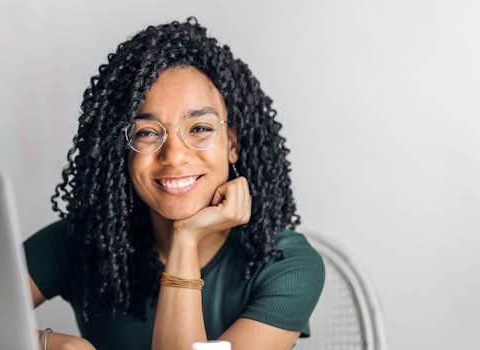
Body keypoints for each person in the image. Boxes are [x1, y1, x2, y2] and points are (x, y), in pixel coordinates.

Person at [23, 17, 325, 350]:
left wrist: (186, 237)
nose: (175, 156)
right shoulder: (79, 242)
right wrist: (51, 345)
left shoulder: (286, 264)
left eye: (199, 128)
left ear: (232, 144)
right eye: (147, 132)